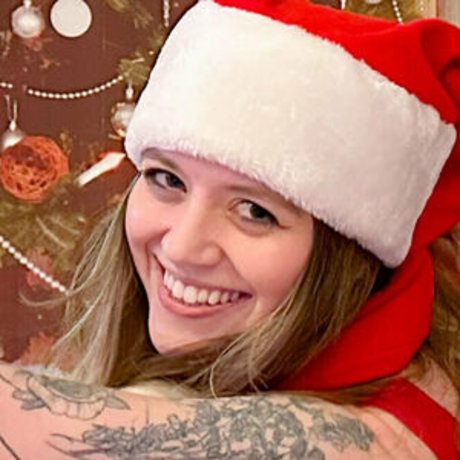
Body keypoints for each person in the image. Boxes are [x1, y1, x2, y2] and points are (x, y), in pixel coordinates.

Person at [1, 0, 459, 457]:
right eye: (167, 179)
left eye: (255, 211)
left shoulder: (369, 437)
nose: (181, 248)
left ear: (347, 255)